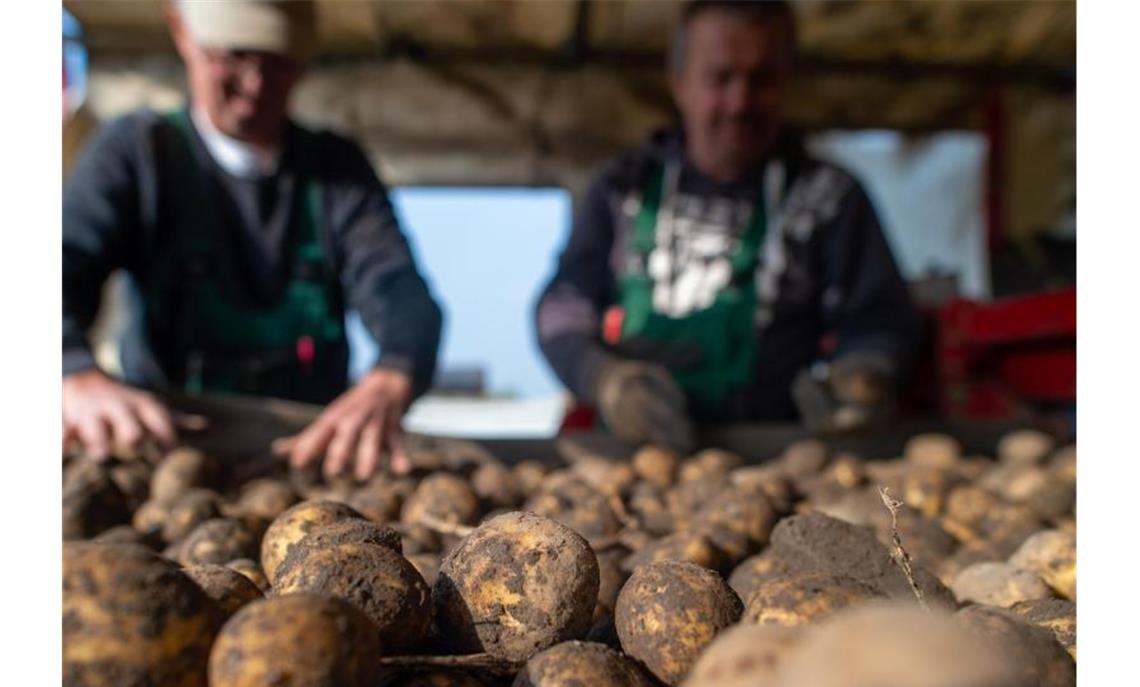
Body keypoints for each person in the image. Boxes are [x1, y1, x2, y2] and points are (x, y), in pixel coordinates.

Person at [63, 0, 443, 478]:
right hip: (169, 456)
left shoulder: (335, 171)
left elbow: (399, 289)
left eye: (278, 65)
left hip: (312, 458)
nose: (255, 85)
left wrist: (394, 371)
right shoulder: (138, 154)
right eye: (234, 56)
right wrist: (73, 370)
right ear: (183, 32)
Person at [535, 0, 920, 451]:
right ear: (680, 85)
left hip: (780, 453)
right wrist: (604, 379)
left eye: (761, 80)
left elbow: (879, 319)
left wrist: (863, 371)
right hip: (637, 452)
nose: (740, 102)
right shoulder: (623, 188)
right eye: (721, 78)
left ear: (786, 82)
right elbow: (562, 311)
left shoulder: (830, 196)